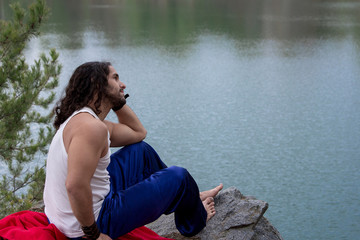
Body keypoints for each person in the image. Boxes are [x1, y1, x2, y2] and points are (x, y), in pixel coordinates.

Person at [43, 61, 223, 240]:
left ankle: (188, 198)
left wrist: (116, 100)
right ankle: (195, 220)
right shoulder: (91, 129)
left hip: (71, 214)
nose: (123, 84)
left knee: (141, 151)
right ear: (98, 85)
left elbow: (138, 133)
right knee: (180, 177)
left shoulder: (86, 121)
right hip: (89, 223)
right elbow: (75, 186)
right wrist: (94, 234)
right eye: (115, 78)